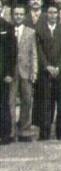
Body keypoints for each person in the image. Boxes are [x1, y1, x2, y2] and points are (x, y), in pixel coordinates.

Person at [36, 6, 61, 140]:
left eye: (54, 12)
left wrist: (58, 67)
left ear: (58, 14)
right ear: (46, 14)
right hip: (45, 72)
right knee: (46, 104)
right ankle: (44, 134)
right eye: (49, 12)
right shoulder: (39, 29)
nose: (52, 15)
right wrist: (47, 66)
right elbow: (39, 50)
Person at [11, 7, 38, 142]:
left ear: (24, 16)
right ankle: (10, 132)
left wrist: (34, 71)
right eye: (16, 14)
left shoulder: (30, 32)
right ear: (12, 15)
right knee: (10, 102)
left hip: (26, 70)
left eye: (21, 14)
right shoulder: (8, 29)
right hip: (11, 71)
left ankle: (25, 131)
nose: (18, 16)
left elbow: (33, 53)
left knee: (27, 101)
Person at [0, 14, 15, 144]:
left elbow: (12, 51)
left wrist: (9, 73)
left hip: (2, 73)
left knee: (3, 104)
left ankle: (5, 134)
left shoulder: (7, 26)